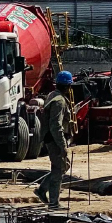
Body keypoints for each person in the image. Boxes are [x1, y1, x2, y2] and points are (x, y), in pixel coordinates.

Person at [37, 71, 75, 209]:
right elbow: (56, 125)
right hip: (54, 140)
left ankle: (42, 190)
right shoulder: (59, 101)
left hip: (51, 138)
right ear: (67, 86)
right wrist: (62, 145)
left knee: (59, 168)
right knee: (59, 169)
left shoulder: (53, 95)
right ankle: (54, 202)